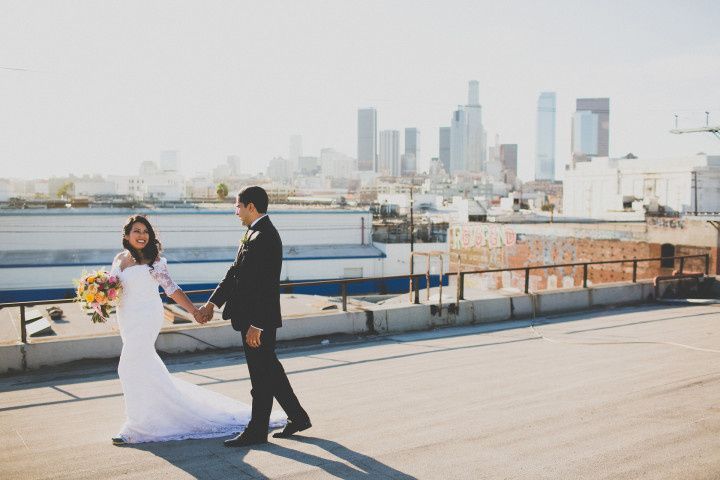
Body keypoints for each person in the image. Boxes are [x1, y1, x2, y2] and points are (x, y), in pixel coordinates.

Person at [109, 214, 285, 445]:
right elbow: (114, 288)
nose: (142, 236)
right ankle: (151, 416)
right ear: (127, 235)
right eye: (137, 231)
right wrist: (97, 298)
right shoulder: (120, 259)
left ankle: (136, 426)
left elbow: (171, 290)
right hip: (127, 317)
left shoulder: (155, 262)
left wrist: (194, 310)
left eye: (145, 232)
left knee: (128, 365)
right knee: (141, 366)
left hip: (147, 316)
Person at [197, 186, 311, 447]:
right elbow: (234, 272)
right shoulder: (252, 233)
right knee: (270, 370)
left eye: (237, 206)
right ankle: (298, 416)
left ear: (251, 206)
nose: (235, 211)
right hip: (250, 318)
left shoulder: (267, 236)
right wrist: (213, 302)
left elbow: (267, 286)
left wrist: (257, 325)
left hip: (258, 321)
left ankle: (257, 430)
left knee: (261, 377)